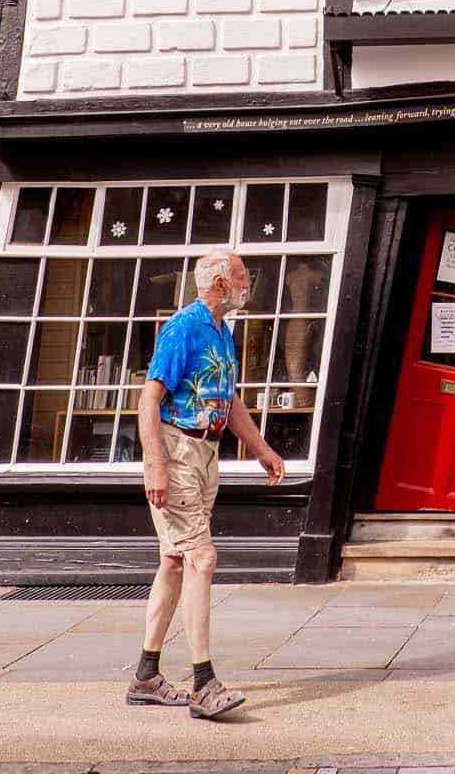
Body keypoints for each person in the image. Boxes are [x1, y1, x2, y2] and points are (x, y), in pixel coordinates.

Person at [125, 248, 285, 720]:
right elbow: (148, 401)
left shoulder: (221, 332)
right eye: (239, 276)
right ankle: (203, 682)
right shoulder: (184, 328)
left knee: (174, 561)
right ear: (218, 282)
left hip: (206, 451)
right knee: (201, 557)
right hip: (176, 451)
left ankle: (146, 677)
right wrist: (155, 466)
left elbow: (229, 402)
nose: (245, 283)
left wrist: (262, 450)